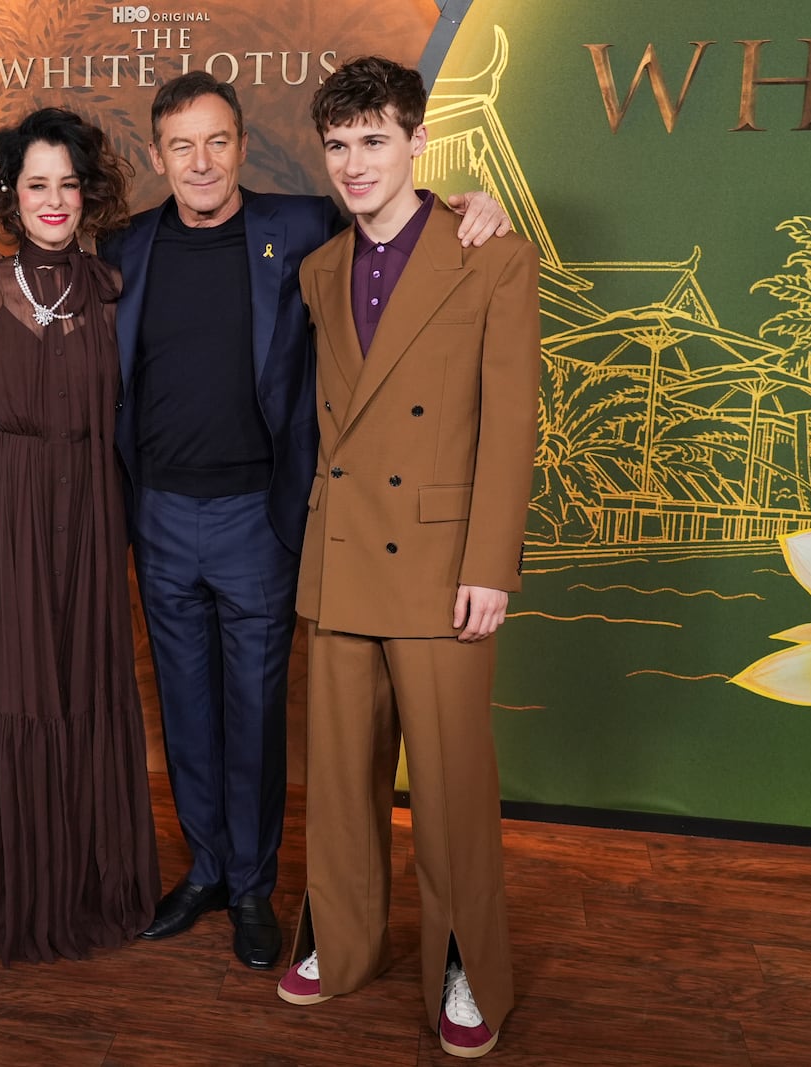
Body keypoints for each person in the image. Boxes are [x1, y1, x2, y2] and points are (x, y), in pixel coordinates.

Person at [0, 73, 509, 971]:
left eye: (217, 142)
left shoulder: (297, 227)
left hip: (259, 512)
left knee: (254, 710)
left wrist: (465, 208)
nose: (201, 162)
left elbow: (396, 235)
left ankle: (253, 885)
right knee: (183, 706)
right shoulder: (122, 250)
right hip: (159, 511)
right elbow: (28, 282)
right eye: (181, 145)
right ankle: (206, 867)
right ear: (159, 156)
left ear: (242, 146)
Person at [273, 56, 538, 1062]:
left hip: (441, 568)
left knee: (451, 787)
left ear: (418, 141)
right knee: (338, 780)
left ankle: (469, 965)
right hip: (341, 557)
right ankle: (337, 942)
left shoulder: (492, 254)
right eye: (337, 145)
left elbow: (510, 424)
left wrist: (490, 566)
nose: (353, 163)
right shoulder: (319, 269)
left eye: (373, 140)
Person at [0, 107, 160, 962]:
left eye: (69, 183)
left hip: (92, 507)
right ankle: (2, 888)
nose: (55, 199)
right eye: (37, 184)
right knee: (6, 687)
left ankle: (84, 880)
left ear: (89, 191)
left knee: (82, 684)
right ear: (11, 192)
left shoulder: (115, 287)